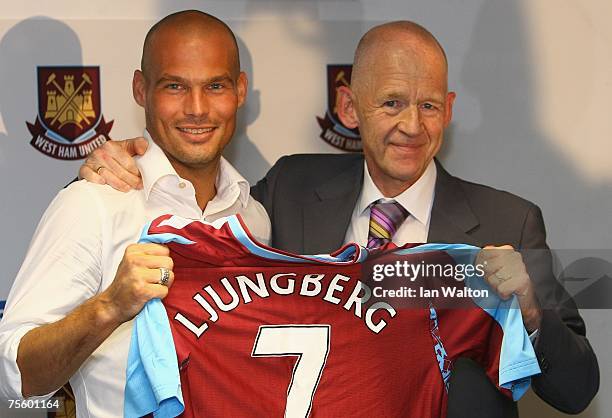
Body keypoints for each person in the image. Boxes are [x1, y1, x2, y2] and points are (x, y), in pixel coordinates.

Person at [82, 21, 599, 416]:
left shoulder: (508, 222)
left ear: (450, 107)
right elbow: (195, 213)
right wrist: (115, 171)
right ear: (349, 107)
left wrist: (531, 312)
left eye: (429, 106)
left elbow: (577, 391)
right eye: (392, 103)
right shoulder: (289, 192)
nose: (412, 126)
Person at [0, 11, 270, 418]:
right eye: (174, 86)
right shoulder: (94, 203)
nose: (197, 109)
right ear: (141, 90)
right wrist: (109, 306)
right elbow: (16, 378)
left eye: (215, 86)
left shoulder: (256, 217)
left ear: (240, 90)